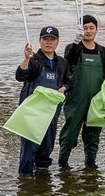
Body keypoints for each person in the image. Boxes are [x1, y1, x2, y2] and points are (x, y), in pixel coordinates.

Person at [57, 14, 105, 169]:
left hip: (96, 100)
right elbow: (68, 62)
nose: (88, 31)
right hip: (76, 99)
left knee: (93, 133)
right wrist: (76, 40)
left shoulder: (102, 51)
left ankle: (90, 162)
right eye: (85, 28)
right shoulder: (73, 48)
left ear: (96, 30)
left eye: (91, 28)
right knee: (70, 132)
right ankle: (63, 162)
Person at [15, 26, 70, 174]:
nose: (49, 42)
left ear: (57, 42)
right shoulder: (34, 60)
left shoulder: (62, 62)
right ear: (40, 41)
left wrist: (64, 88)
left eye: (52, 39)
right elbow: (20, 76)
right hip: (32, 113)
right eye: (45, 39)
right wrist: (26, 59)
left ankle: (43, 180)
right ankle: (25, 179)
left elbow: (69, 82)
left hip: (51, 112)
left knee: (46, 147)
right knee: (29, 149)